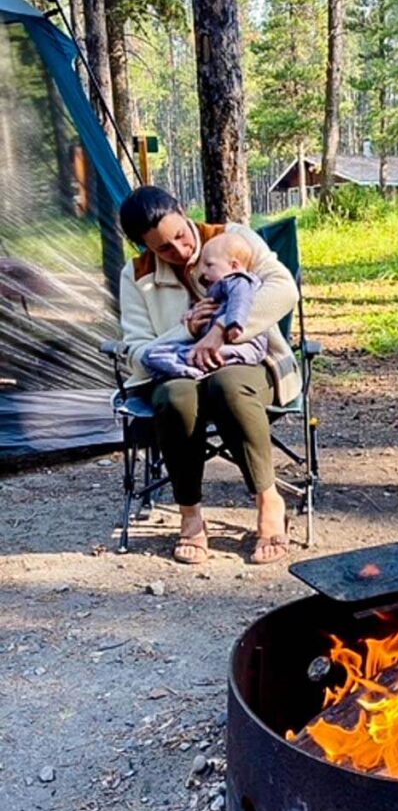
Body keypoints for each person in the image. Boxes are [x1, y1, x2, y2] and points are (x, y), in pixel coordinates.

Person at [118, 186, 301, 565]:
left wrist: (221, 330)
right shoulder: (136, 275)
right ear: (145, 248)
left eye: (181, 236)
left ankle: (269, 500)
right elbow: (136, 350)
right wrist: (186, 331)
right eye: (163, 249)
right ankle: (190, 514)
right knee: (176, 398)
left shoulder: (231, 238)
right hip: (177, 370)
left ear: (185, 212)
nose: (181, 251)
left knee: (228, 385)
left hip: (250, 363)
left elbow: (284, 290)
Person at [142, 232, 268, 381]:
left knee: (190, 356)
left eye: (209, 265)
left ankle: (190, 369)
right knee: (152, 354)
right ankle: (185, 366)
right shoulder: (218, 289)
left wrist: (234, 323)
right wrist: (190, 316)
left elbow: (241, 301)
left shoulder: (239, 281)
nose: (203, 272)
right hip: (218, 346)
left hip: (245, 346)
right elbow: (209, 310)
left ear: (233, 265)